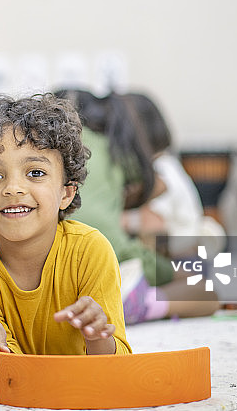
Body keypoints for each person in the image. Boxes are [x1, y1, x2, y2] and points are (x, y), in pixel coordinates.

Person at [0, 93, 131, 381]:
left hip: (77, 390)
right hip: (23, 388)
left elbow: (118, 370)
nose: (13, 188)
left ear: (66, 193)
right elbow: (7, 374)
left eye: (35, 172)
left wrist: (97, 336)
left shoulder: (91, 250)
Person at [63, 89, 219, 325]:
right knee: (204, 291)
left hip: (67, 258)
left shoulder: (57, 149)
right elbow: (157, 191)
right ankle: (140, 304)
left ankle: (129, 302)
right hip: (117, 256)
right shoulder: (111, 150)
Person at [122, 92, 226, 258]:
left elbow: (153, 224)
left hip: (180, 253)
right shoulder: (166, 163)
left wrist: (115, 218)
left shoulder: (161, 169)